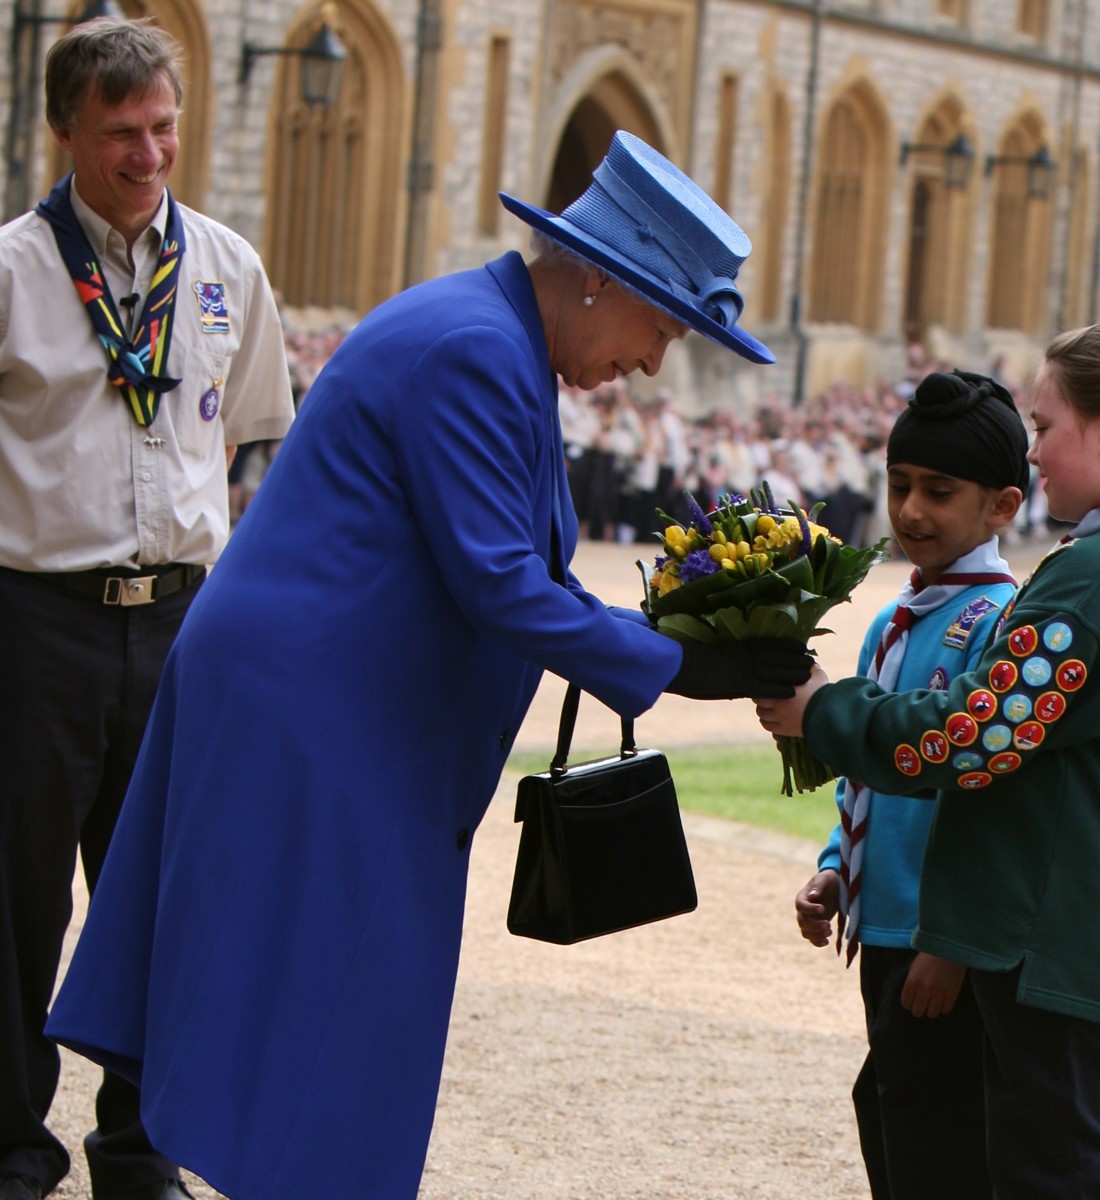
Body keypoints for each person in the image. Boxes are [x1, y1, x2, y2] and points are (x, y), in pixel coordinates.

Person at [44, 131, 809, 1200]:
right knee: (333, 1006)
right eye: (662, 325)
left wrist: (675, 644)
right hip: (314, 715)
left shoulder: (494, 337)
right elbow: (499, 583)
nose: (651, 360)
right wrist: (680, 666)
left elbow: (509, 567)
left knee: (317, 1001)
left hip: (339, 709)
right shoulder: (475, 348)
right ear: (597, 279)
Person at [761, 315, 1100, 1199]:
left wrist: (827, 713)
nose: (1034, 455)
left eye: (1046, 429)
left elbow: (977, 734)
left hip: (1058, 933)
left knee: (1061, 1173)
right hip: (1069, 925)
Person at [0, 20, 295, 1200]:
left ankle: (140, 1153)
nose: (147, 152)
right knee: (18, 906)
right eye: (121, 131)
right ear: (65, 130)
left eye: (164, 125)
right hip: (36, 622)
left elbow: (262, 442)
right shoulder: (14, 269)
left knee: (172, 900)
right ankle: (14, 1153)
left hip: (182, 626)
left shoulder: (226, 266)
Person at [793, 370, 1026, 1200]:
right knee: (891, 1113)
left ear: (1001, 506)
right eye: (899, 486)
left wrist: (950, 942)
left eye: (939, 491)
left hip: (933, 936)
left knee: (938, 1143)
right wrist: (834, 863)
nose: (912, 510)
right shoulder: (906, 611)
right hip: (883, 921)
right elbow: (866, 768)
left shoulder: (996, 621)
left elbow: (989, 795)